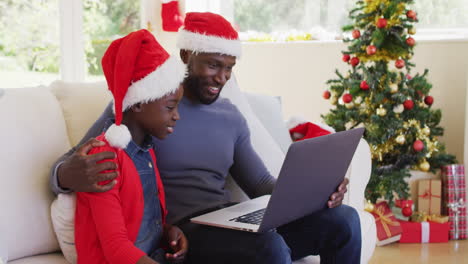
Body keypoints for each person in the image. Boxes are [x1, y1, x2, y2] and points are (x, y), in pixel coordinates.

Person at [51, 13, 361, 264]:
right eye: (213, 65)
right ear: (187, 54)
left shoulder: (231, 116)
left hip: (230, 225)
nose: (222, 78)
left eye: (229, 69)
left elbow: (261, 184)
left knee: (343, 220)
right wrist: (65, 175)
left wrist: (316, 193)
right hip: (186, 235)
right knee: (267, 247)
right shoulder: (147, 104)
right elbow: (70, 166)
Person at [73, 29, 188, 264]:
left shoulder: (145, 149)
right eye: (170, 107)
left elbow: (139, 219)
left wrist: (166, 231)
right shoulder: (104, 157)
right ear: (137, 104)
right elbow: (116, 249)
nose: (177, 116)